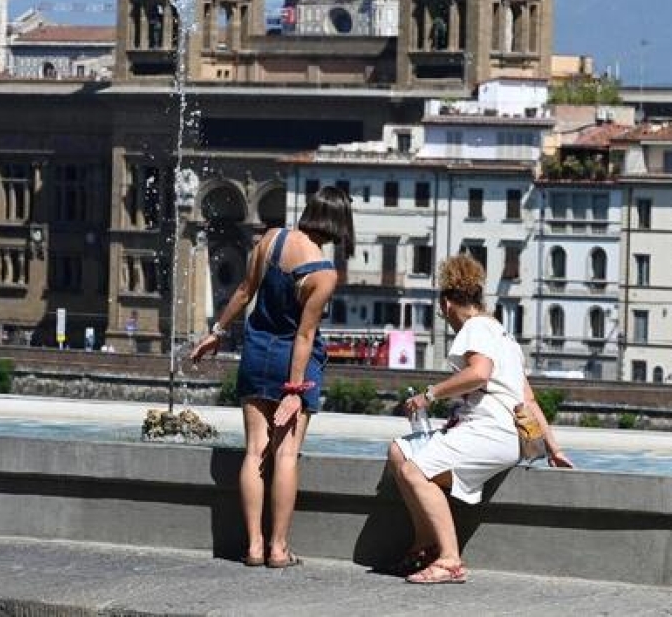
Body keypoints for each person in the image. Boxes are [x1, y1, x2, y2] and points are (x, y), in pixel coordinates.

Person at [190, 185, 354, 569]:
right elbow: (304, 336)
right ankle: (278, 549)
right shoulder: (323, 273)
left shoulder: (272, 239)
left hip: (255, 355)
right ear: (339, 223)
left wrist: (217, 331)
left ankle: (253, 546)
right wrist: (295, 390)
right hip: (292, 364)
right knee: (285, 454)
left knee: (254, 452)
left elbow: (244, 290)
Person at [386, 254, 574, 584]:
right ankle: (426, 544)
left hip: (490, 430)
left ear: (446, 303)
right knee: (400, 452)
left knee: (415, 472)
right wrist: (553, 449)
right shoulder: (503, 335)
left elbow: (478, 373)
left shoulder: (474, 328)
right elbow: (528, 399)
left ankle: (449, 560)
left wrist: (429, 395)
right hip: (508, 434)